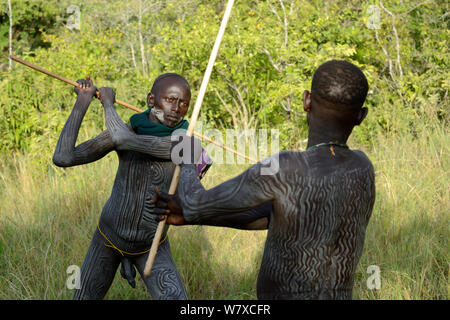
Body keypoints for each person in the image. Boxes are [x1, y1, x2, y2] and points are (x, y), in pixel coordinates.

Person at [152, 60, 376, 300]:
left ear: (306, 100)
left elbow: (194, 201)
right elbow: (273, 216)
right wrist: (191, 216)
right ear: (361, 116)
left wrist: (187, 156)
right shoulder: (363, 168)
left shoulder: (285, 166)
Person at [53, 73, 198, 299]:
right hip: (108, 239)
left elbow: (122, 140)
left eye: (184, 104)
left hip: (151, 246)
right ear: (151, 100)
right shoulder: (129, 128)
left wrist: (108, 104)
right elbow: (63, 157)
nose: (176, 109)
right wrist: (82, 102)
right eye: (170, 100)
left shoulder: (183, 144)